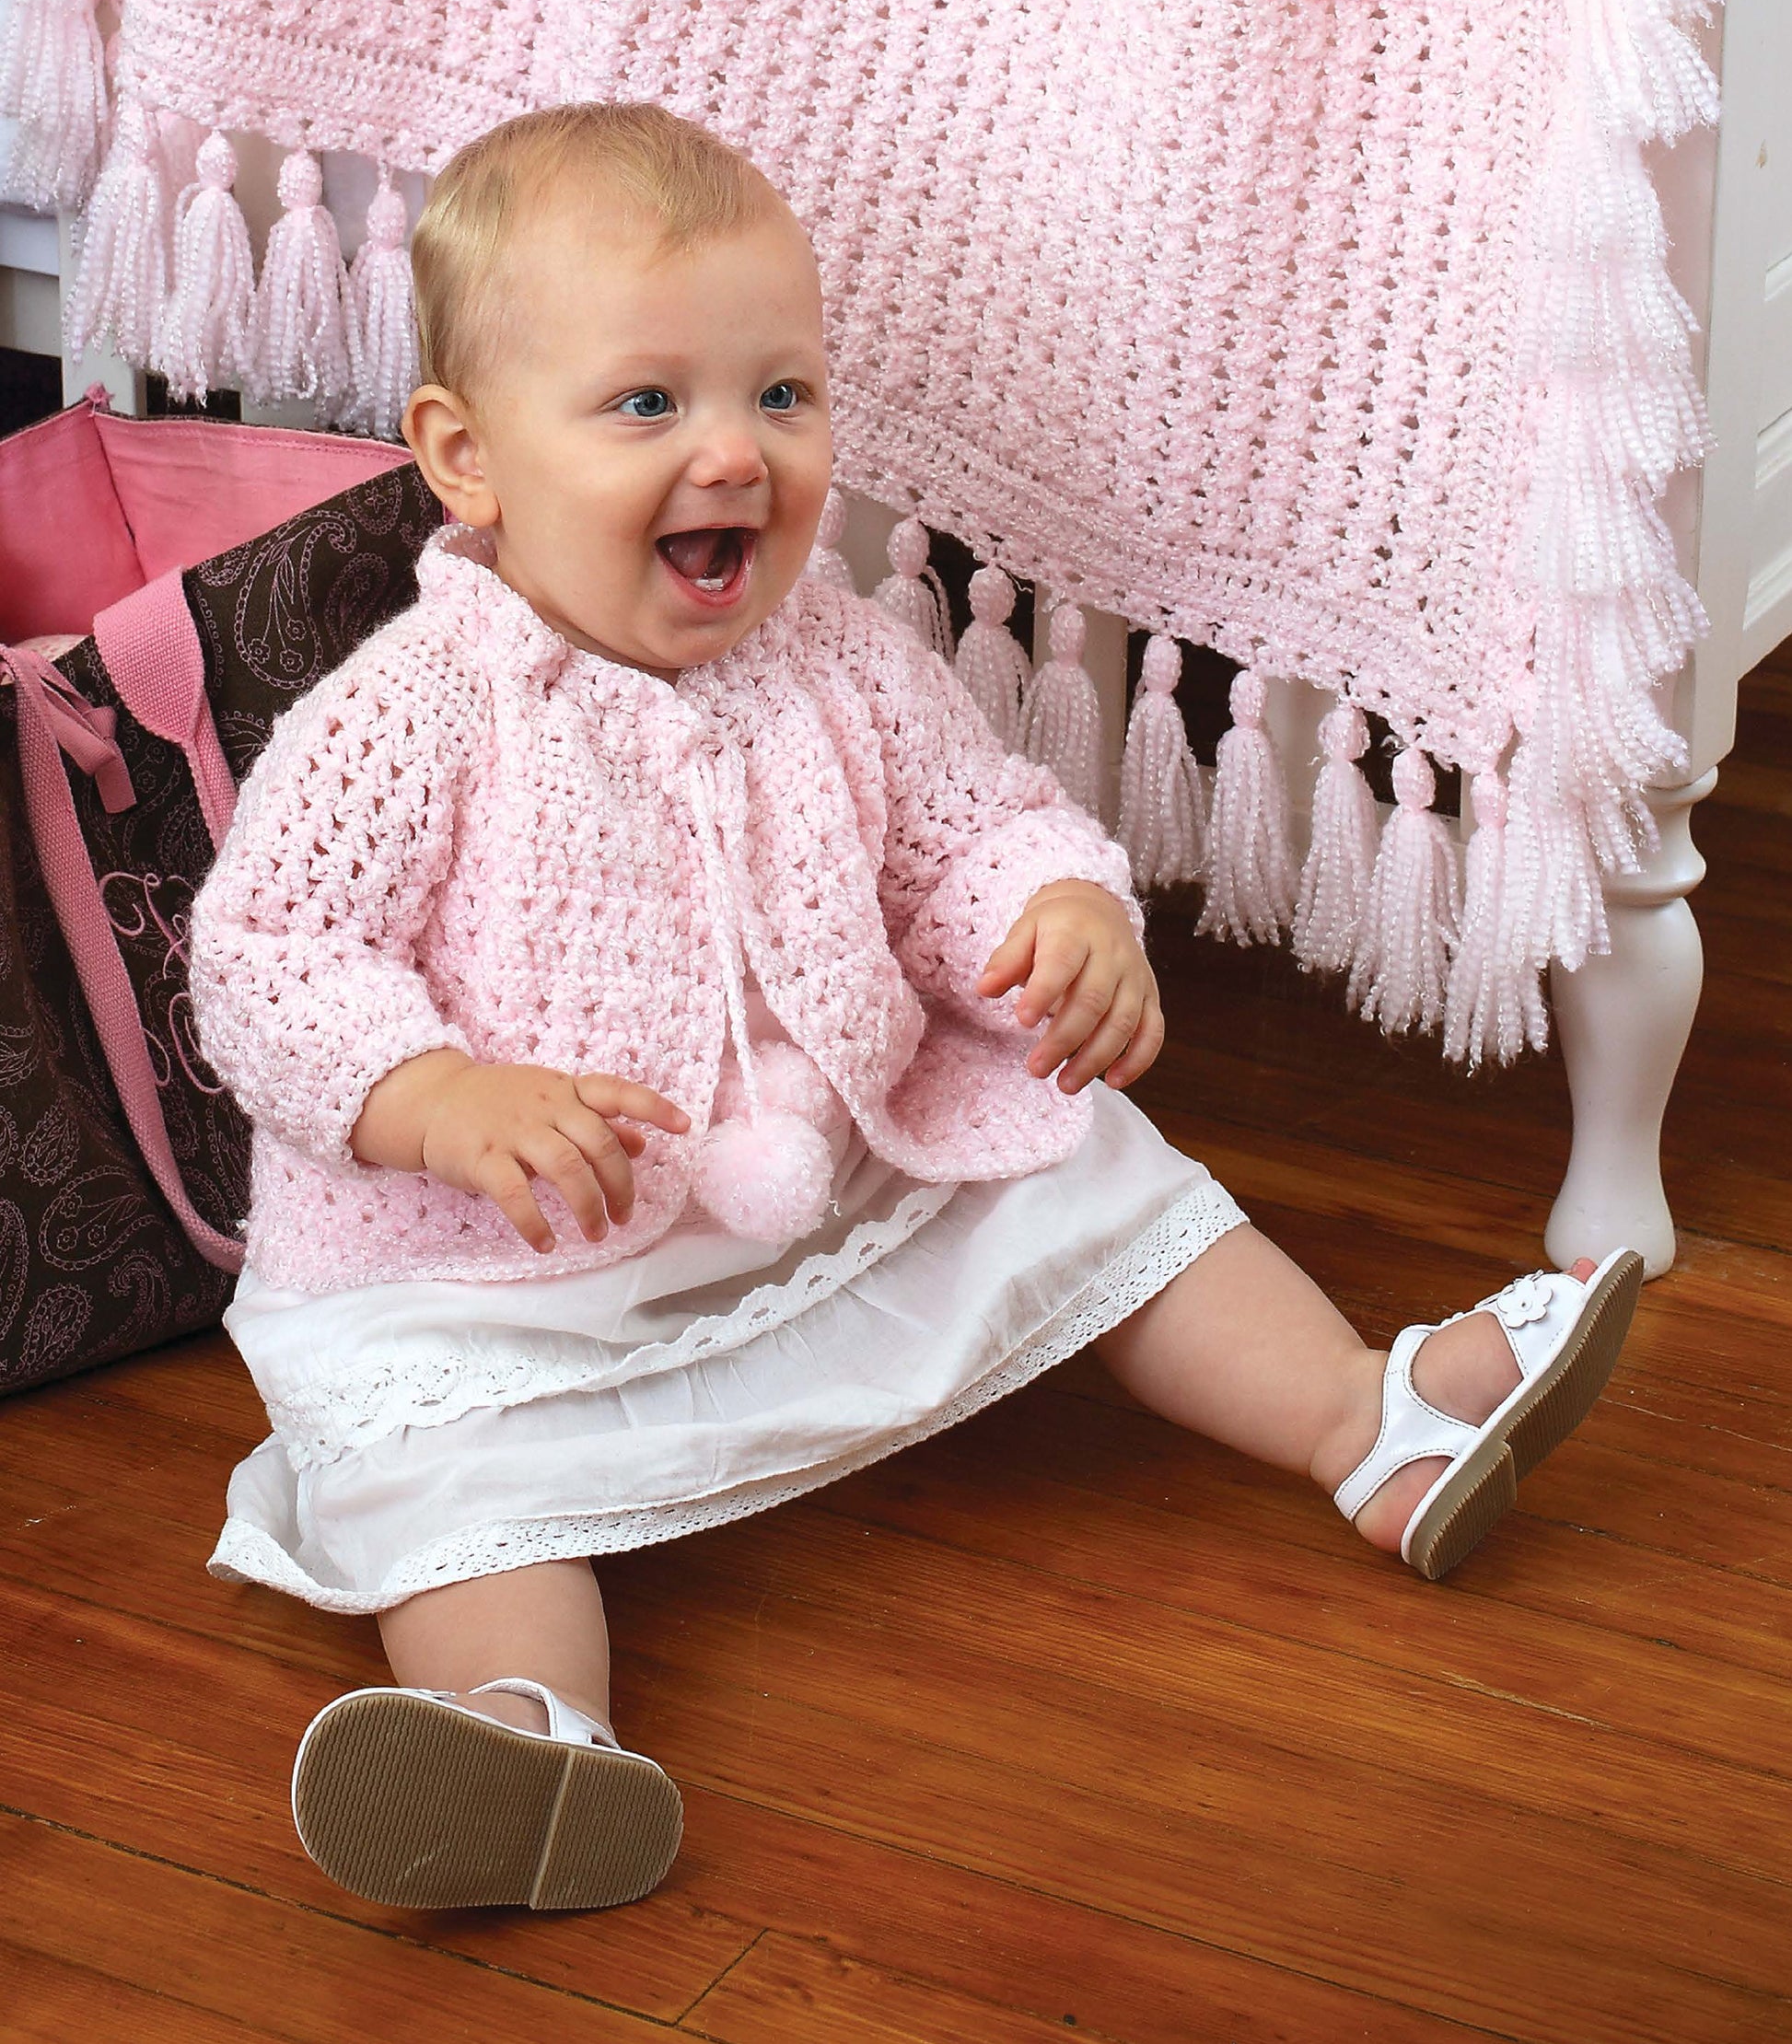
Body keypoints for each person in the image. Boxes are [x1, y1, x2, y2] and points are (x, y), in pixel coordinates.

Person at [189, 102, 1640, 1917]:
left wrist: (1057, 915)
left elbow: (969, 835)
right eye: (649, 405)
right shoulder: (414, 711)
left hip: (838, 1155)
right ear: (466, 457)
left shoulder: (843, 660)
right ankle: (525, 1728)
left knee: (1080, 1158)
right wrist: (433, 1096)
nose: (734, 451)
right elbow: (265, 955)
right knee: (453, 1470)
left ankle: (1370, 1417)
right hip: (505, 1251)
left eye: (779, 396)